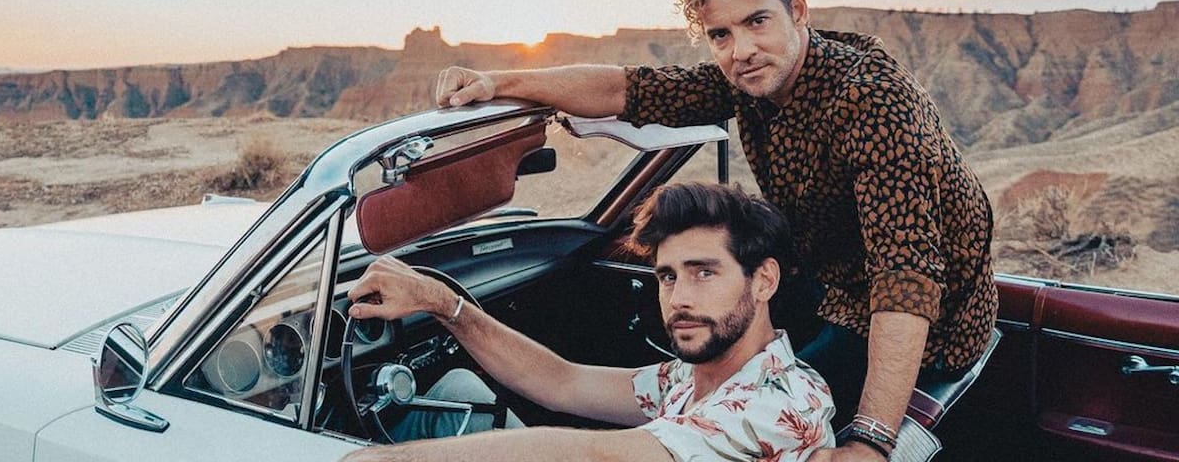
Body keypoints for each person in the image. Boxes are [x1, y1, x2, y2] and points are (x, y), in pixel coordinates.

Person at [432, 0, 998, 461]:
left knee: (771, 410)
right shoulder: (757, 78)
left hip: (932, 322)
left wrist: (871, 443)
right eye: (720, 35)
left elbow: (906, 279)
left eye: (757, 21)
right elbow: (631, 90)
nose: (741, 49)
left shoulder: (871, 102)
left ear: (798, 11)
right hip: (834, 284)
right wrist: (499, 82)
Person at [341, 182, 835, 462]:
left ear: (763, 281)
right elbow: (562, 381)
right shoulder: (699, 375)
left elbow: (598, 457)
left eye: (704, 272)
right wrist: (446, 304)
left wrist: (383, 460)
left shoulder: (777, 402)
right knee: (456, 392)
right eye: (667, 276)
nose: (680, 298)